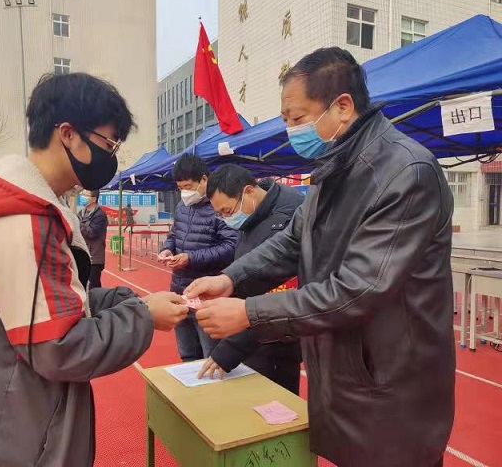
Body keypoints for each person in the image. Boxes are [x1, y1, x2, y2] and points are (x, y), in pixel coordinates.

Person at [0, 72, 189, 467]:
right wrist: (143, 317)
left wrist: (124, 300)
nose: (112, 155)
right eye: (109, 143)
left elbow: (39, 304)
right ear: (69, 135)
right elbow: (61, 348)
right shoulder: (21, 220)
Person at [185, 47, 454, 467]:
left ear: (342, 106)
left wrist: (250, 313)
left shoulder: (406, 173)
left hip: (392, 383)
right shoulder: (334, 171)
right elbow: (294, 240)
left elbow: (358, 290)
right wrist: (231, 279)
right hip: (349, 371)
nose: (291, 130)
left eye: (297, 118)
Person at [198, 166, 304, 395]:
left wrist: (228, 350)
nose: (226, 219)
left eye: (227, 211)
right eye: (220, 214)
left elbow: (276, 295)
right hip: (248, 325)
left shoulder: (287, 218)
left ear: (248, 192)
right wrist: (228, 280)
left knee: (272, 404)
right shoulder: (253, 213)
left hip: (274, 338)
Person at [158, 153, 239, 362]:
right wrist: (167, 249)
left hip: (207, 294)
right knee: (187, 354)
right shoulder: (181, 206)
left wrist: (191, 258)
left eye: (188, 186)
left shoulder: (219, 207)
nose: (185, 192)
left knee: (211, 356)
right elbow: (174, 234)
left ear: (204, 180)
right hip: (179, 292)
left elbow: (231, 246)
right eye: (180, 188)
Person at [78, 189, 107, 289]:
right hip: (83, 254)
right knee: (83, 286)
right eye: (82, 194)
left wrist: (77, 224)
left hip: (94, 258)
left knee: (93, 287)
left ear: (93, 199)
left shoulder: (100, 215)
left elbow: (91, 233)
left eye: (85, 195)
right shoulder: (81, 213)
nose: (82, 197)